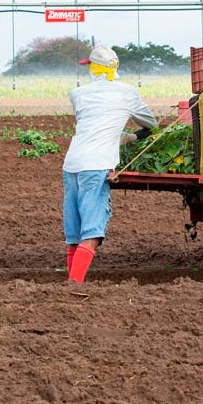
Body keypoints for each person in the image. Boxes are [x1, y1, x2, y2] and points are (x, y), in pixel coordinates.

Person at [62, 45, 157, 284]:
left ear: (93, 69)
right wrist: (131, 136)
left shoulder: (78, 94)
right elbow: (150, 123)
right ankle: (74, 285)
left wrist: (118, 133)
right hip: (97, 165)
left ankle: (71, 280)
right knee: (92, 233)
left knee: (75, 234)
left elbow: (92, 122)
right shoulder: (127, 92)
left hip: (72, 164)